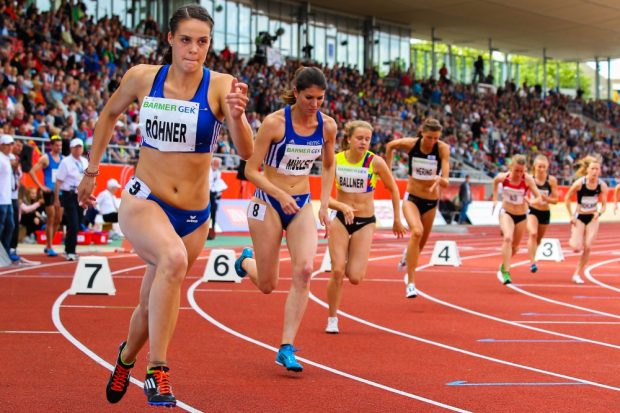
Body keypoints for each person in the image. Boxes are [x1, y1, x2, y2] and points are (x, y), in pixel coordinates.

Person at [77, 4, 253, 408]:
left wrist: (240, 119)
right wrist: (92, 170)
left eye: (203, 41)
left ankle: (125, 359)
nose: (194, 49)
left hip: (193, 214)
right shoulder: (142, 77)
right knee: (172, 260)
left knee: (148, 302)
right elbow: (108, 115)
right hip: (145, 199)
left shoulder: (222, 85)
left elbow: (245, 151)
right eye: (187, 40)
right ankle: (158, 370)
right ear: (170, 40)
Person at [234, 66, 336, 372]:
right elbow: (250, 170)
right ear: (295, 92)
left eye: (320, 98)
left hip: (302, 203)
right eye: (309, 97)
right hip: (268, 202)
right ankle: (246, 262)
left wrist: (323, 203)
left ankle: (286, 347)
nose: (314, 104)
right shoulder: (275, 123)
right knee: (267, 284)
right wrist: (278, 194)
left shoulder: (327, 126)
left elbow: (329, 166)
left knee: (304, 271)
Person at [325, 120, 406, 333]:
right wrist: (341, 205)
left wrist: (397, 219)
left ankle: (354, 255)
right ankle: (332, 318)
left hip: (365, 222)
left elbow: (394, 189)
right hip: (341, 219)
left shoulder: (375, 162)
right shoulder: (336, 160)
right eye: (359, 138)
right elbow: (324, 197)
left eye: (367, 139)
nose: (363, 142)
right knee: (337, 270)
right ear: (349, 139)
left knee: (354, 277)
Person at [385, 118, 451, 298]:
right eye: (429, 137)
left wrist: (441, 179)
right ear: (422, 132)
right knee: (416, 232)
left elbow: (446, 180)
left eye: (436, 138)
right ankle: (411, 282)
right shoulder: (410, 145)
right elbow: (390, 145)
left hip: (431, 202)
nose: (432, 142)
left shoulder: (442, 149)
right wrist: (388, 172)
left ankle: (408, 254)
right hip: (412, 198)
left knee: (420, 245)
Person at [492, 155, 541, 285]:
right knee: (507, 238)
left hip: (522, 215)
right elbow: (495, 181)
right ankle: (507, 272)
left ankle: (504, 265)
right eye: (516, 171)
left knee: (515, 247)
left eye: (522, 171)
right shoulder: (504, 177)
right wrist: (495, 198)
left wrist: (532, 201)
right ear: (510, 168)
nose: (519, 174)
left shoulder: (528, 179)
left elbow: (538, 196)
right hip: (506, 212)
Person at [564, 156, 608, 284]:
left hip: (592, 217)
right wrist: (571, 216)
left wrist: (598, 213)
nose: (595, 171)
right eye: (592, 168)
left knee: (588, 246)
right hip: (579, 216)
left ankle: (577, 274)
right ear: (587, 170)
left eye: (597, 169)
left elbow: (604, 206)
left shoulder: (602, 185)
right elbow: (567, 198)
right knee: (576, 246)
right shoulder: (579, 183)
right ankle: (574, 238)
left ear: (600, 171)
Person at [28, 135, 64, 256]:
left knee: (58, 219)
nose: (59, 147)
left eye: (60, 145)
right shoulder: (46, 158)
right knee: (51, 218)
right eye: (57, 145)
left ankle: (49, 244)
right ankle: (49, 246)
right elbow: (32, 171)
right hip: (49, 192)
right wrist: (41, 186)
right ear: (52, 146)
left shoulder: (63, 159)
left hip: (61, 192)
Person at [55, 138, 88, 261]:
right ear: (71, 148)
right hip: (69, 195)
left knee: (78, 222)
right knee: (73, 223)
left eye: (80, 147)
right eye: (75, 147)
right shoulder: (66, 162)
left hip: (80, 195)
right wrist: (57, 198)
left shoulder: (85, 161)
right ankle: (70, 251)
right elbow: (58, 181)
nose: (78, 149)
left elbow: (87, 179)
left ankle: (70, 249)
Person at [526, 155, 559, 273]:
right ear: (535, 166)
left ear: (547, 167)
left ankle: (532, 252)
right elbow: (523, 194)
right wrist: (529, 201)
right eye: (539, 166)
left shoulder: (551, 180)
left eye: (544, 167)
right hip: (532, 210)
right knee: (533, 233)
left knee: (538, 240)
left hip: (545, 212)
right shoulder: (529, 179)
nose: (541, 169)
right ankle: (532, 262)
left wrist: (546, 199)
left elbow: (556, 200)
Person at [0, 135, 16, 261]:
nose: (10, 146)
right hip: (1, 199)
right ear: (1, 145)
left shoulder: (8, 158)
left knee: (10, 225)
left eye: (11, 144)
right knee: (1, 226)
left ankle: (4, 253)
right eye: (8, 144)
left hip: (8, 198)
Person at [208, 156, 227, 240]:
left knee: (213, 214)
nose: (217, 165)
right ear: (212, 163)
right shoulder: (207, 170)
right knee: (207, 214)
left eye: (218, 164)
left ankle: (211, 232)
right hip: (206, 194)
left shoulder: (218, 173)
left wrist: (218, 193)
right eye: (216, 163)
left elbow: (218, 183)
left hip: (213, 195)